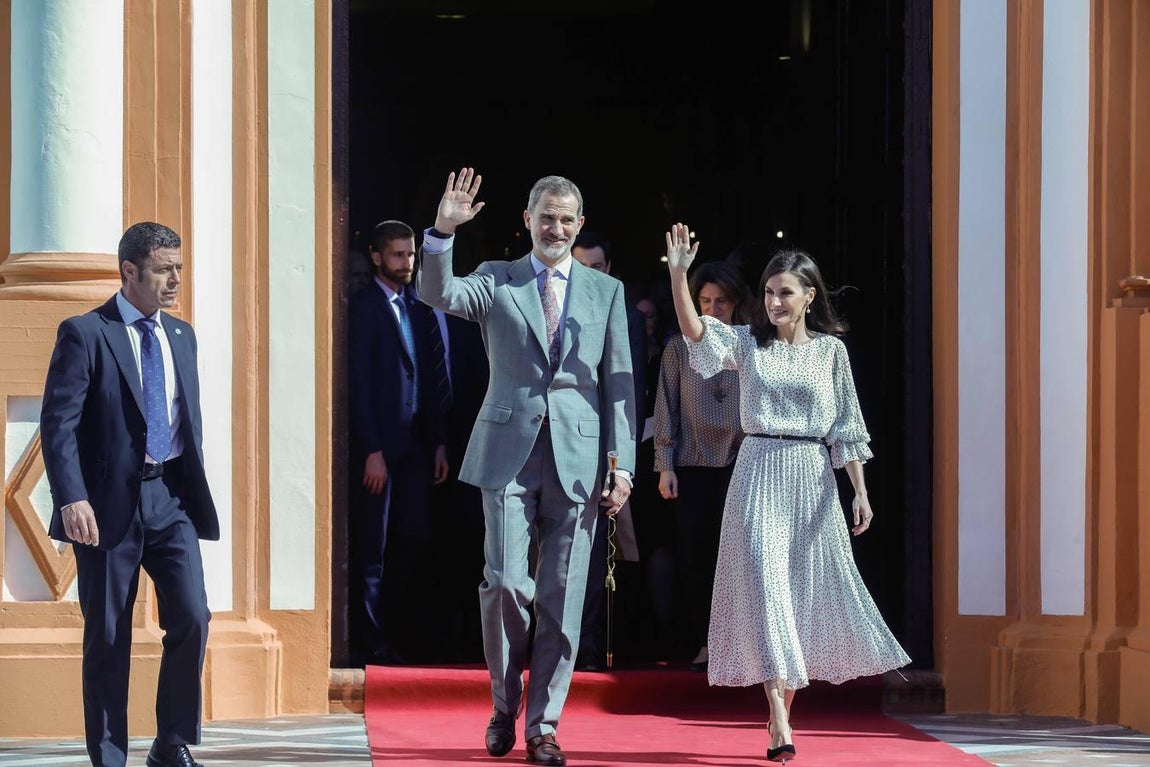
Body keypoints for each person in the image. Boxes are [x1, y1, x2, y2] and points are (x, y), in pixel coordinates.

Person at [664, 223, 910, 764]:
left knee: (796, 600)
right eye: (769, 292)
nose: (774, 301)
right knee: (767, 587)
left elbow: (848, 427)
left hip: (813, 477)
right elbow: (696, 335)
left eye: (785, 292)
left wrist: (860, 492)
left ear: (809, 296)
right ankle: (777, 715)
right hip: (757, 472)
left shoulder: (831, 354)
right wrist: (679, 275)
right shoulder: (748, 342)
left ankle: (784, 712)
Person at [416, 167, 637, 767]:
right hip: (507, 452)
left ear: (580, 224)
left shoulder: (605, 292)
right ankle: (502, 701)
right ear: (527, 220)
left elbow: (619, 386)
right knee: (507, 584)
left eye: (567, 219)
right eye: (547, 217)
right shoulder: (499, 280)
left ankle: (544, 725)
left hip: (580, 457)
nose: (557, 228)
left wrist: (623, 467)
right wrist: (442, 231)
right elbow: (439, 294)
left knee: (563, 597)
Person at [40, 221, 219, 767]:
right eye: (164, 270)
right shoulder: (85, 332)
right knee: (109, 638)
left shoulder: (182, 334)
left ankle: (170, 743)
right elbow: (58, 424)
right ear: (130, 271)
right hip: (105, 509)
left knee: (193, 616)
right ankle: (110, 758)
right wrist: (72, 497)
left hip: (171, 499)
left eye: (179, 269)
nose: (174, 281)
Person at [348, 219, 448, 665]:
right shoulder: (363, 307)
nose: (407, 263)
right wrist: (371, 450)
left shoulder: (418, 304)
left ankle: (399, 631)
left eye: (411, 255)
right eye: (398, 255)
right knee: (373, 548)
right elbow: (358, 383)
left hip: (415, 449)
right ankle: (371, 643)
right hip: (379, 451)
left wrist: (439, 442)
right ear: (376, 256)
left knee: (416, 540)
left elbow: (430, 377)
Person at [652, 260, 749, 673]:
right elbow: (665, 408)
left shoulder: (752, 344)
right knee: (696, 558)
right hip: (692, 466)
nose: (712, 310)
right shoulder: (678, 347)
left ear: (737, 304)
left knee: (744, 561)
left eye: (720, 302)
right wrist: (664, 464)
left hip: (744, 467)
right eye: (704, 301)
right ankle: (705, 644)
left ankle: (743, 649)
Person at [568, 229, 647, 672]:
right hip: (549, 447)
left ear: (610, 271)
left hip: (600, 452)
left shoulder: (628, 317)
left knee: (597, 556)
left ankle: (589, 649)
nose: (590, 276)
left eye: (598, 268)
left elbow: (626, 392)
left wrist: (620, 465)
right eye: (582, 268)